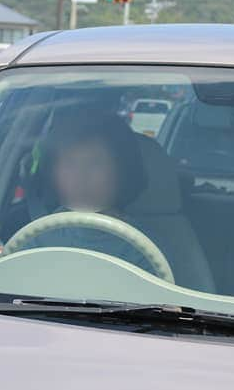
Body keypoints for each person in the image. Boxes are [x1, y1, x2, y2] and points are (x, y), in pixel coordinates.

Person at [10, 109, 153, 272]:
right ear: (53, 173)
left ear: (121, 171)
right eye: (69, 164)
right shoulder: (37, 237)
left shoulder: (143, 247)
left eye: (95, 163)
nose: (80, 176)